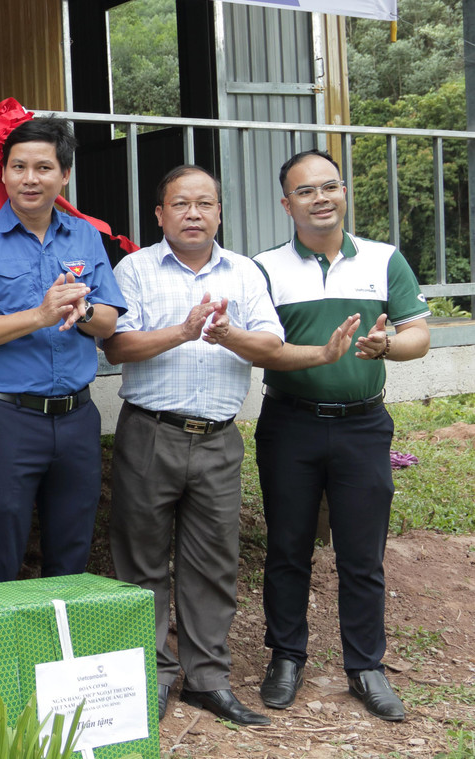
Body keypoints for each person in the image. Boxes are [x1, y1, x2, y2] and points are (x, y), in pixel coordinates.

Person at [102, 165, 360, 726]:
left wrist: (227, 335)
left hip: (218, 440)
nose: (194, 214)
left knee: (213, 563)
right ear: (159, 214)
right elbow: (117, 348)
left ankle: (207, 679)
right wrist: (184, 330)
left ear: (220, 212)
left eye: (205, 204)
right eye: (181, 204)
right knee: (141, 560)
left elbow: (269, 342)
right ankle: (151, 674)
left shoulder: (243, 273)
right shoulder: (135, 269)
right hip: (151, 431)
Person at [251, 150, 430, 723]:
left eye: (330, 186)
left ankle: (366, 666)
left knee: (361, 552)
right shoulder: (265, 267)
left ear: (344, 192)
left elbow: (418, 336)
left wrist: (387, 347)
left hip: (363, 425)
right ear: (287, 204)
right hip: (290, 423)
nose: (320, 198)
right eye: (306, 191)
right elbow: (260, 345)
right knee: (287, 546)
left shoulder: (383, 260)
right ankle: (286, 656)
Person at [0, 116, 125, 583]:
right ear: (2, 173)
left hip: (79, 419)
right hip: (10, 420)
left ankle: (60, 654)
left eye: (43, 167)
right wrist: (39, 316)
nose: (29, 178)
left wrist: (80, 312)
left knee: (73, 546)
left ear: (64, 175)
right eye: (18, 167)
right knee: (2, 546)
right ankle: (0, 656)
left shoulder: (85, 237)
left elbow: (109, 319)